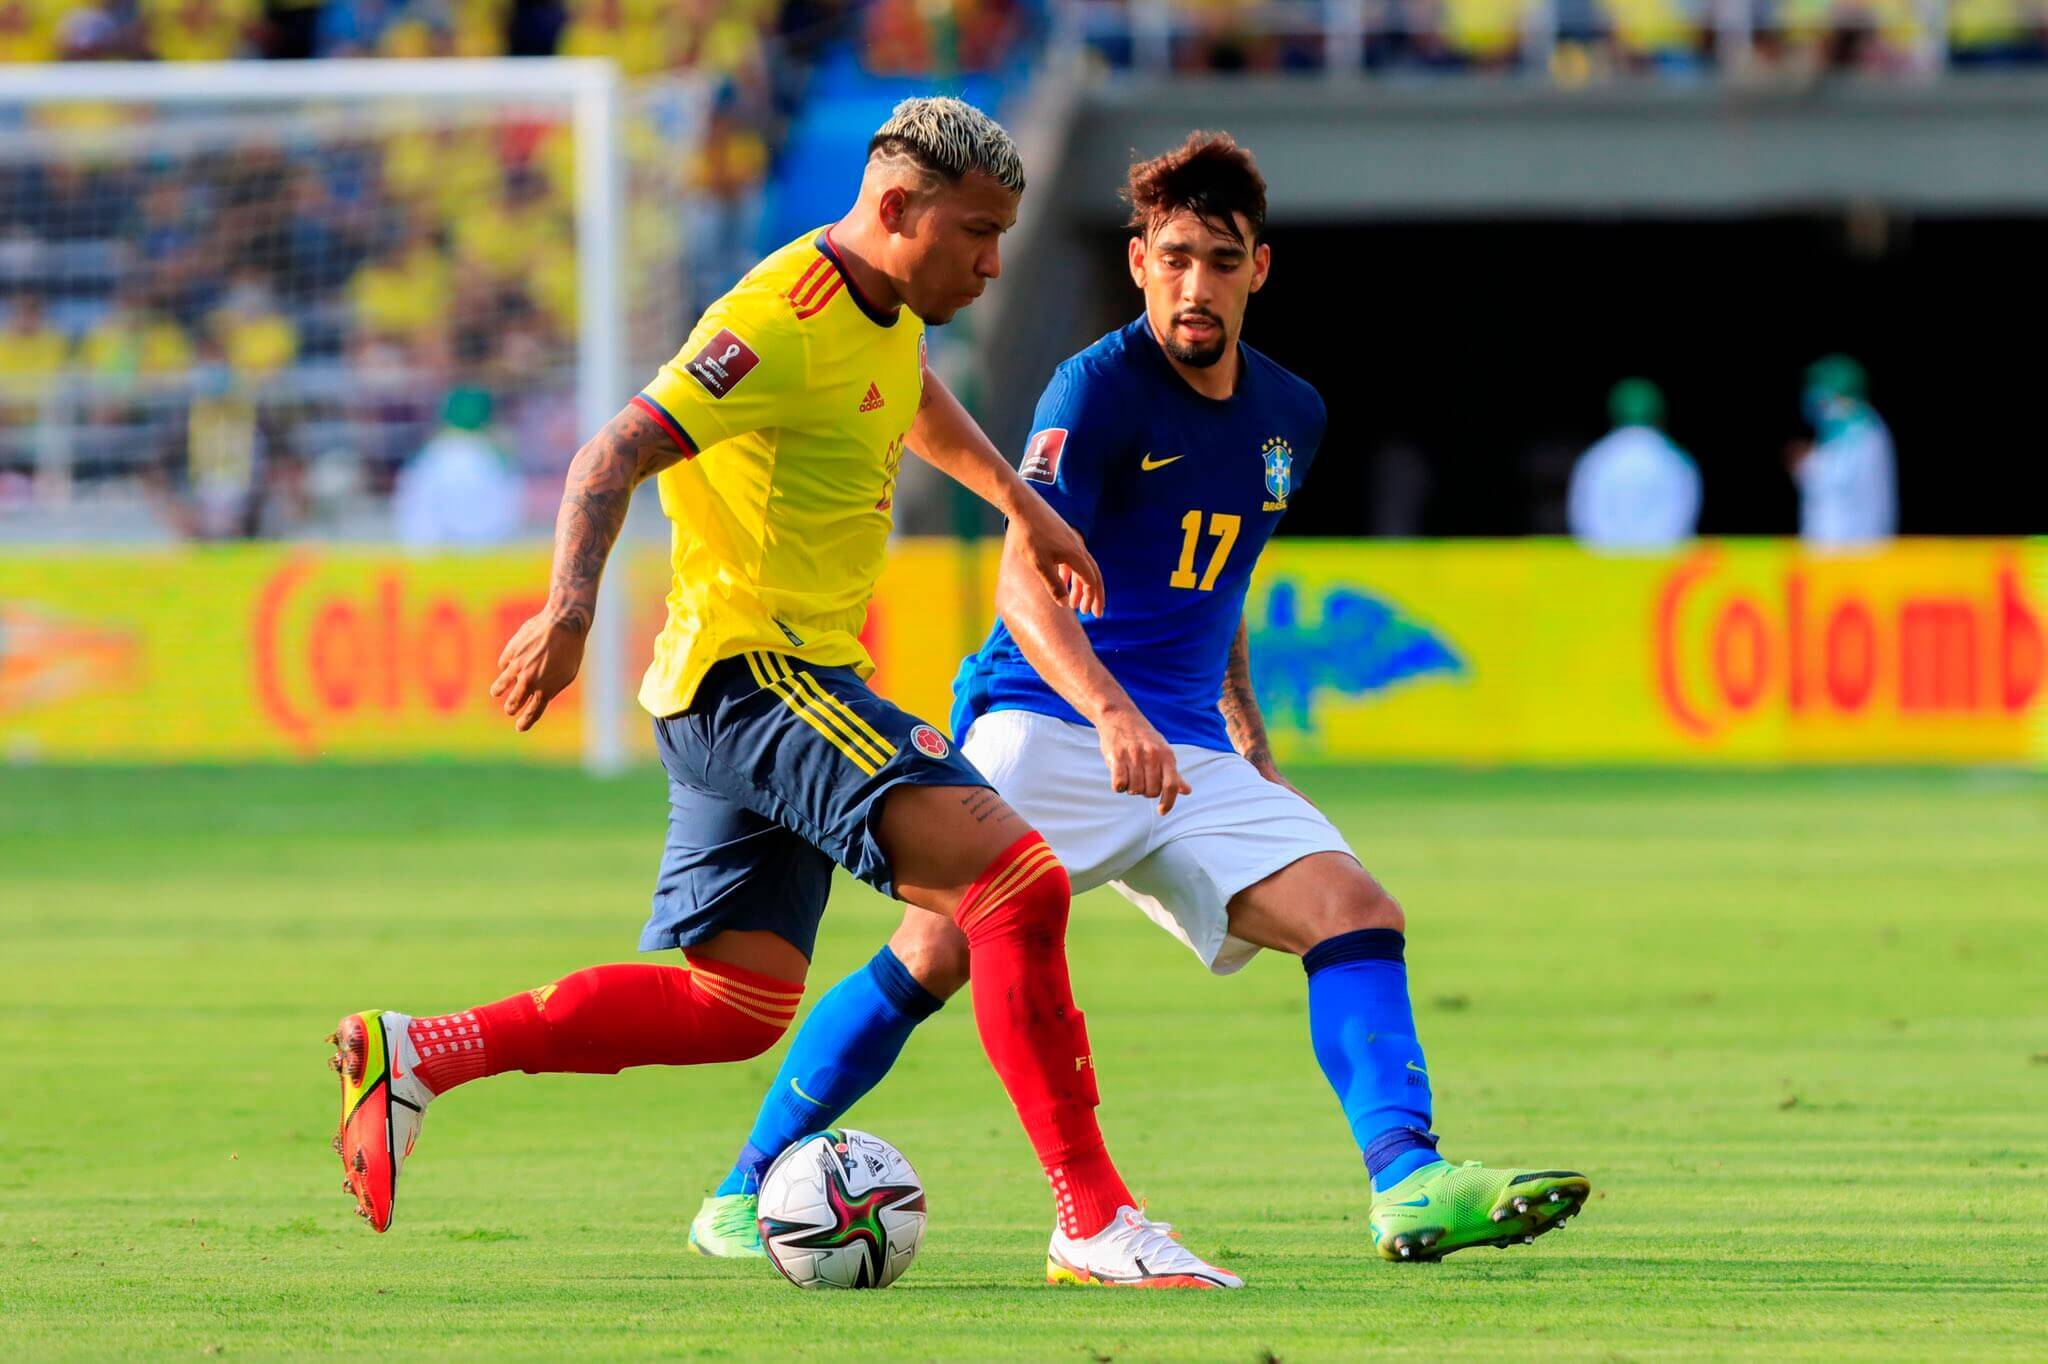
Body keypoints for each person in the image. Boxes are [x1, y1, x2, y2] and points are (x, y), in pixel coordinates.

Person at [328, 97, 1239, 1291]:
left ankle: (420, 1053)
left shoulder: (888, 308)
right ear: (895, 206)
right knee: (1013, 881)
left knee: (736, 1001)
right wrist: (567, 607)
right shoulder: (773, 319)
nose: (991, 261)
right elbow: (612, 451)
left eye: (1002, 234)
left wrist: (1022, 503)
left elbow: (909, 393)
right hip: (761, 673)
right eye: (973, 232)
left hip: (737, 688)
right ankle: (1092, 1212)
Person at [687, 132, 1591, 1269]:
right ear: (1135, 262)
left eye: (1219, 260)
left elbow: (1218, 582)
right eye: (1171, 258)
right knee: (929, 957)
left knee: (1356, 910)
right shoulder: (1096, 388)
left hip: (1187, 749)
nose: (1193, 285)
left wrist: (1246, 733)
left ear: (1258, 268)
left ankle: (1407, 1181)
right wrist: (1110, 710)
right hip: (1046, 723)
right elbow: (1022, 578)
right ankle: (737, 1187)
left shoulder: (1288, 415)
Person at [1566, 377, 1701, 549]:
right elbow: (1681, 518)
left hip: (1607, 566)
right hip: (1660, 567)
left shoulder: (1596, 460)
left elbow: (1584, 518)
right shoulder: (1675, 460)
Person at [392, 386, 524, 546]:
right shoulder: (498, 461)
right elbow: (508, 517)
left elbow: (412, 518)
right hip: (486, 559)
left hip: (432, 559)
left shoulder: (426, 458)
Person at [1790, 354, 1895, 547]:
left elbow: (1828, 480)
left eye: (1824, 397)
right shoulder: (1841, 432)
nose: (1819, 405)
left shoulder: (1861, 430)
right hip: (1834, 550)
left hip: (1853, 550)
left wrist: (1805, 463)